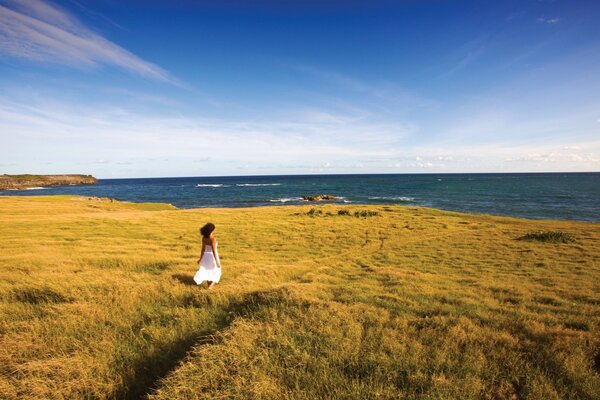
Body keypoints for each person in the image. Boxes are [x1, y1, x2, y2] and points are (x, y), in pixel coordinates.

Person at [193, 223, 222, 289]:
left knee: (207, 271)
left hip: (206, 257)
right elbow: (214, 251)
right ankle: (210, 287)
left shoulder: (204, 238)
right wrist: (217, 261)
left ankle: (209, 286)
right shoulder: (213, 239)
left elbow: (203, 249)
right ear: (211, 231)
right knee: (217, 271)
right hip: (212, 257)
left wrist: (200, 259)